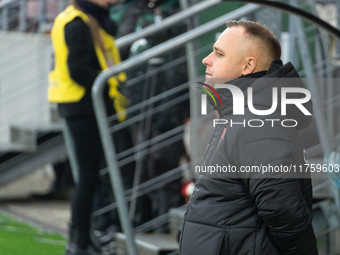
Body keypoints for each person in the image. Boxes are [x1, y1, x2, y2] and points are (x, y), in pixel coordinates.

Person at [179, 20, 318, 255]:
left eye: (219, 54)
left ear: (248, 65)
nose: (206, 59)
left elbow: (284, 211)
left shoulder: (257, 121)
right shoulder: (243, 114)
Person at [48, 0, 133, 254]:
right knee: (87, 178)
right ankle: (79, 242)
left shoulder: (82, 18)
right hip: (83, 107)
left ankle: (84, 239)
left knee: (90, 177)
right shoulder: (77, 22)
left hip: (81, 106)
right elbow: (78, 69)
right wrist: (106, 84)